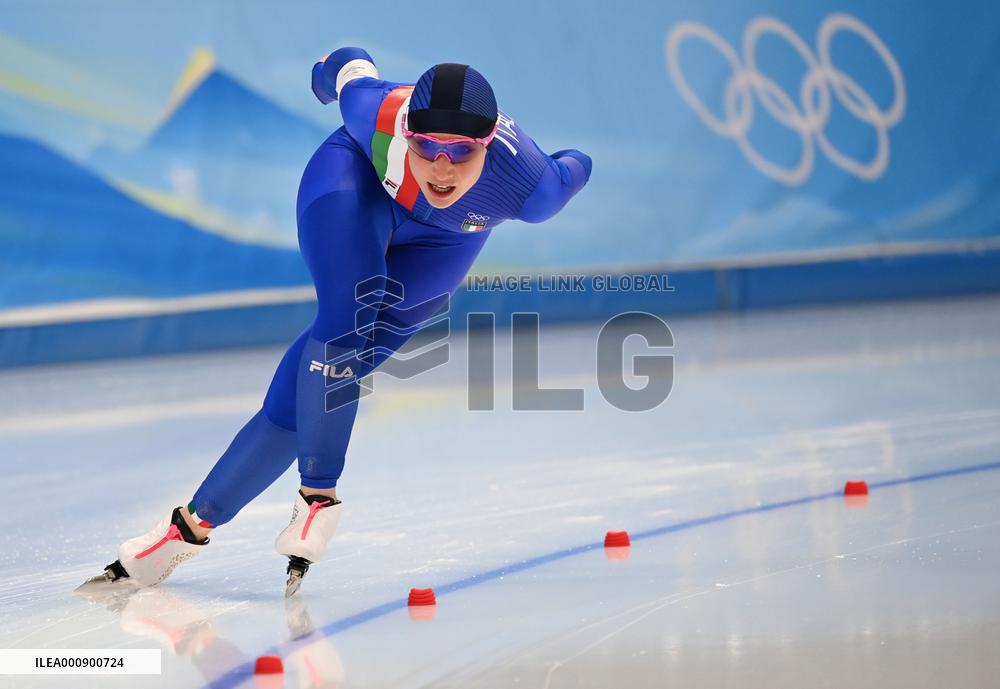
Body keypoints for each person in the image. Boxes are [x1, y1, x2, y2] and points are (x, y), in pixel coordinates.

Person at [79, 48, 592, 596]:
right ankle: (318, 498)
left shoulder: (532, 188)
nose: (441, 168)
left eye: (460, 153)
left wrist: (546, 158)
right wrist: (324, 75)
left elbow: (575, 164)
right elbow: (348, 64)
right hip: (354, 185)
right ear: (407, 133)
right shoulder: (375, 112)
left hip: (444, 244)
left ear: (487, 146)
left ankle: (184, 531)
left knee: (316, 391)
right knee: (347, 317)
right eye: (426, 147)